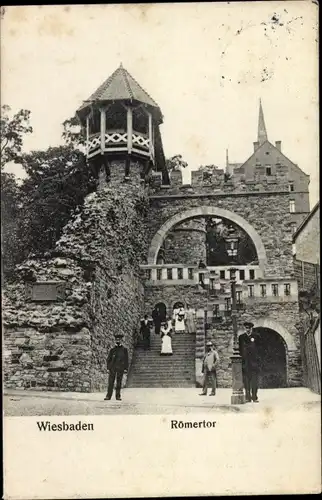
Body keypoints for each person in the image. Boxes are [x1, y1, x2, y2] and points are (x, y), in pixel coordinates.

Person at [238, 321, 260, 403]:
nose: (248, 330)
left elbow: (259, 349)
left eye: (249, 328)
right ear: (244, 328)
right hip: (245, 362)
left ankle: (254, 396)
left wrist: (258, 360)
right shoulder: (241, 337)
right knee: (246, 380)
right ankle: (248, 397)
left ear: (252, 328)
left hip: (254, 362)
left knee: (254, 380)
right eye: (246, 328)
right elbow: (240, 350)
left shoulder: (256, 336)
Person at [104, 334, 129, 401]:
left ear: (121, 340)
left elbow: (126, 360)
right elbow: (108, 359)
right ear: (115, 340)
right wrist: (108, 368)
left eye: (119, 339)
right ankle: (108, 396)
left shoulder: (124, 350)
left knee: (119, 382)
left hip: (120, 368)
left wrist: (126, 368)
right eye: (117, 339)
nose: (118, 340)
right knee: (110, 382)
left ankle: (118, 396)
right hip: (113, 368)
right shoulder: (112, 350)